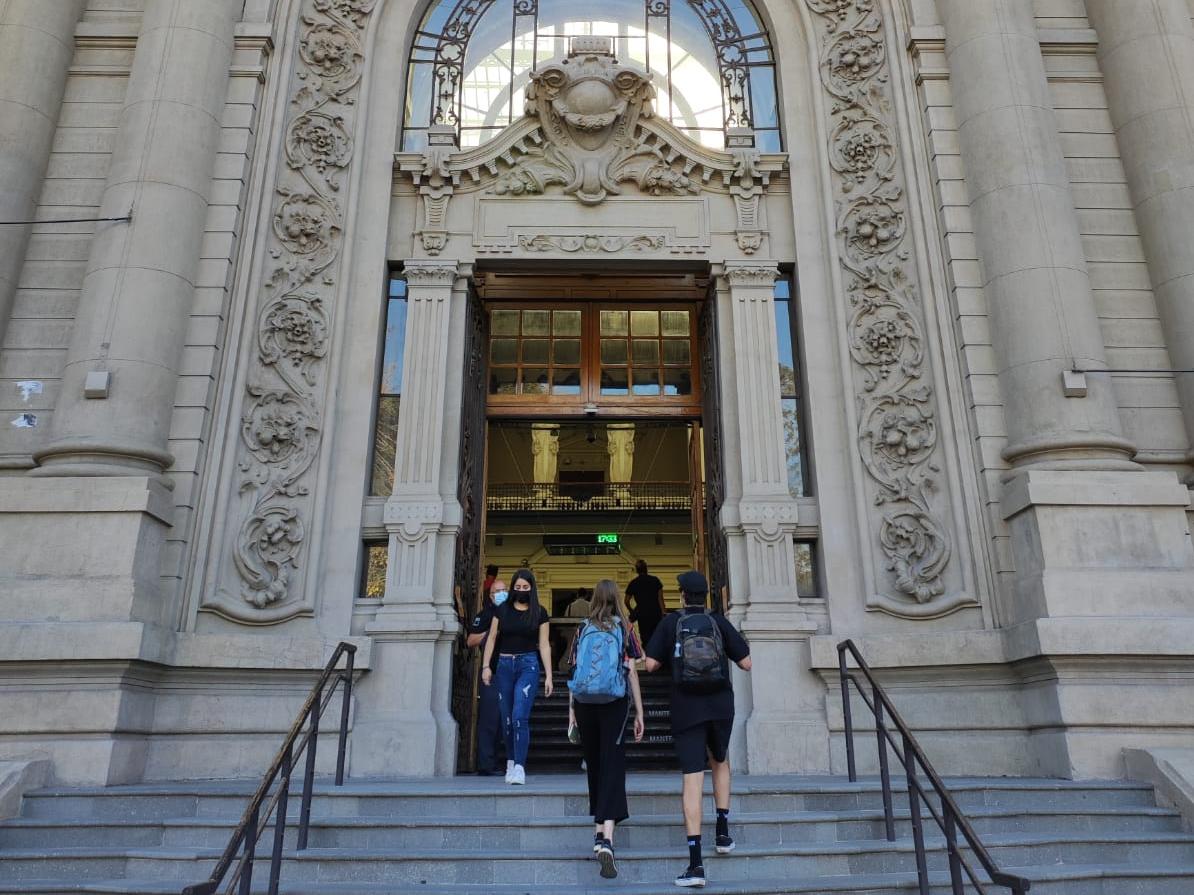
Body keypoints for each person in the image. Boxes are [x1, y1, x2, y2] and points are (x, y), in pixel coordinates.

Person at [644, 570, 751, 889]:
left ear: (681, 595)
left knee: (692, 778)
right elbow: (746, 662)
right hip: (720, 705)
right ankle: (723, 832)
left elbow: (650, 664)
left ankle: (695, 864)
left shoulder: (671, 622)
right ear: (705, 595)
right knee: (720, 761)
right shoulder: (718, 621)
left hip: (686, 707)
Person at [566, 579, 645, 879]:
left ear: (595, 599)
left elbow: (574, 671)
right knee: (612, 765)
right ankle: (607, 839)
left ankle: (598, 831)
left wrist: (571, 713)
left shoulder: (582, 628)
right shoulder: (625, 629)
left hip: (584, 703)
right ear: (617, 600)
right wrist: (640, 712)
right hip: (614, 702)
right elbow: (632, 671)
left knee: (595, 767)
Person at [481, 568, 552, 784]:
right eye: (518, 587)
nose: (521, 590)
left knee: (520, 715)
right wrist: (486, 666)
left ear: (532, 588)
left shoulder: (539, 612)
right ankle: (511, 761)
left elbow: (544, 645)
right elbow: (492, 638)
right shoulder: (502, 610)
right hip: (504, 665)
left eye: (525, 587)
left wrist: (549, 675)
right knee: (507, 718)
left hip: (528, 665)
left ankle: (520, 766)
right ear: (513, 588)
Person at [466, 577, 506, 776]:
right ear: (490, 596)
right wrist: (490, 633)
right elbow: (470, 640)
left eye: (503, 590)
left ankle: (498, 761)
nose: (501, 594)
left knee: (503, 721)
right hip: (491, 672)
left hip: (510, 672)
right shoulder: (485, 615)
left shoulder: (513, 612)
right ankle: (485, 764)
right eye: (496, 592)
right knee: (490, 719)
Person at [626, 560, 666, 649]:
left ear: (637, 570)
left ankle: (647, 654)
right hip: (655, 612)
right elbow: (660, 599)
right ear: (646, 569)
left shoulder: (634, 582)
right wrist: (663, 612)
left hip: (642, 613)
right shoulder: (655, 580)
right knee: (657, 636)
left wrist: (632, 611)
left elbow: (626, 601)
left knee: (645, 638)